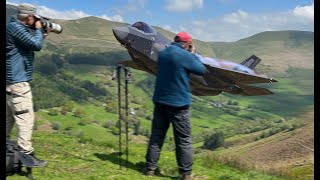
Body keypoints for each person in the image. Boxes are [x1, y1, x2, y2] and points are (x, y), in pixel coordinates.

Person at [143, 32, 206, 180]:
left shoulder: (163, 53)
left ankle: (150, 168)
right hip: (178, 105)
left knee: (157, 136)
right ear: (187, 44)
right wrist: (193, 54)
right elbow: (200, 70)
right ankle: (186, 174)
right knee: (183, 140)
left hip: (160, 101)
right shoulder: (185, 55)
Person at [6, 3, 50, 167]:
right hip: (18, 83)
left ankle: (8, 153)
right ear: (30, 17)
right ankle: (26, 155)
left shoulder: (14, 27)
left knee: (8, 119)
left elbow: (28, 43)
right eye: (35, 18)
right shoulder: (15, 28)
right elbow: (36, 45)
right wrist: (39, 29)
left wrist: (42, 33)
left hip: (10, 83)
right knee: (26, 120)